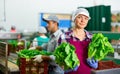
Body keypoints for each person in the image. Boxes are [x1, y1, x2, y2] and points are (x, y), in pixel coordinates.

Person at [58, 8, 98, 74]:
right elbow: (59, 60)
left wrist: (96, 64)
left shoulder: (91, 38)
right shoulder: (64, 36)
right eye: (79, 17)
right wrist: (66, 68)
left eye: (86, 18)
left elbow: (95, 57)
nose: (83, 21)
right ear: (74, 19)